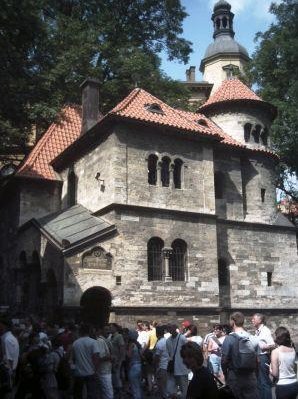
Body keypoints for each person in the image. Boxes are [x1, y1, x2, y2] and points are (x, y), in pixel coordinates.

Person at [221, 311, 259, 399]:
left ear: (232, 321)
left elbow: (224, 360)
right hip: (250, 376)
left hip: (234, 375)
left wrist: (225, 373)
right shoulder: (253, 338)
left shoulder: (229, 339)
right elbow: (257, 360)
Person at [72, 323, 100, 399]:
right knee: (92, 394)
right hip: (90, 372)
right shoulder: (93, 342)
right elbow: (96, 357)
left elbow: (73, 358)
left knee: (78, 394)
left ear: (80, 332)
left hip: (78, 373)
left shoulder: (75, 343)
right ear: (89, 332)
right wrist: (96, 370)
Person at [270, 326, 298, 399]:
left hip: (282, 385)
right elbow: (295, 369)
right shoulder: (293, 350)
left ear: (277, 337)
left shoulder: (275, 352)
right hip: (294, 384)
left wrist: (270, 370)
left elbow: (275, 374)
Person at [252, 313, 275, 399]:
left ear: (260, 320)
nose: (252, 320)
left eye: (254, 319)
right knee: (259, 381)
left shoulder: (265, 330)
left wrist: (264, 347)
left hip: (263, 358)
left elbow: (273, 344)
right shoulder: (257, 331)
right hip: (257, 358)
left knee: (264, 382)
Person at [166, 323, 189, 399]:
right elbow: (169, 354)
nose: (170, 330)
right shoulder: (168, 341)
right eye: (168, 328)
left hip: (182, 367)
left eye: (171, 327)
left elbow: (188, 351)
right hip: (172, 368)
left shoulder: (182, 338)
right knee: (171, 390)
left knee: (184, 389)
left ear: (175, 328)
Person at [0, 316, 19, 398]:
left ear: (4, 326)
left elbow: (10, 358)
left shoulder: (8, 339)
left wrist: (10, 374)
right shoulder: (7, 338)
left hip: (6, 373)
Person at [109, 323, 126, 399]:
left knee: (117, 377)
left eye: (111, 327)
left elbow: (122, 349)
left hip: (117, 360)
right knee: (113, 377)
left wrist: (119, 361)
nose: (110, 329)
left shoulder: (119, 336)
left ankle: (120, 394)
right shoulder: (110, 336)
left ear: (116, 328)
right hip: (111, 360)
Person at [96, 327, 113, 399]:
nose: (108, 331)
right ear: (100, 330)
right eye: (106, 330)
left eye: (108, 330)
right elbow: (100, 357)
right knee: (108, 393)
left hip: (105, 370)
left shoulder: (105, 340)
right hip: (103, 371)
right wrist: (111, 357)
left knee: (105, 392)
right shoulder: (100, 341)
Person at [127, 329, 143, 399]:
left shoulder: (131, 345)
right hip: (139, 365)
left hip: (133, 366)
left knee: (134, 387)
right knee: (138, 386)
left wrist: (124, 350)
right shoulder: (138, 344)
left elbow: (129, 355)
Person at [153, 325, 169, 399]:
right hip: (168, 366)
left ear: (157, 334)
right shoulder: (167, 341)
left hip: (161, 367)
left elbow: (156, 357)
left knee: (162, 388)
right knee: (166, 387)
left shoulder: (159, 343)